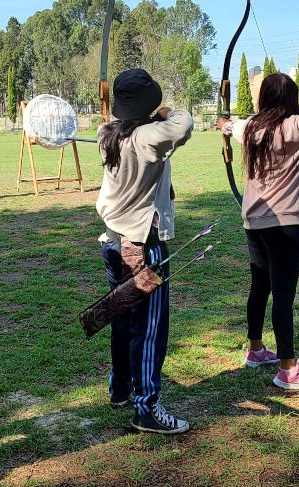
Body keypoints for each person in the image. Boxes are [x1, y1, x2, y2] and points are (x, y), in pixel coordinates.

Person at [216, 72, 299, 391]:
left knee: (261, 285)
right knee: (283, 294)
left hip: (254, 220)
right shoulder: (296, 126)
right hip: (283, 223)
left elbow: (231, 126)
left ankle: (256, 349)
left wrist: (226, 125)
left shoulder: (252, 127)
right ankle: (288, 370)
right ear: (290, 100)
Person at [97, 68, 193, 434]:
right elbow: (182, 126)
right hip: (142, 245)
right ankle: (146, 407)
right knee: (149, 328)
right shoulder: (146, 138)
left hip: (113, 241)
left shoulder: (108, 132)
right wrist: (167, 112)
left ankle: (121, 388)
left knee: (122, 318)